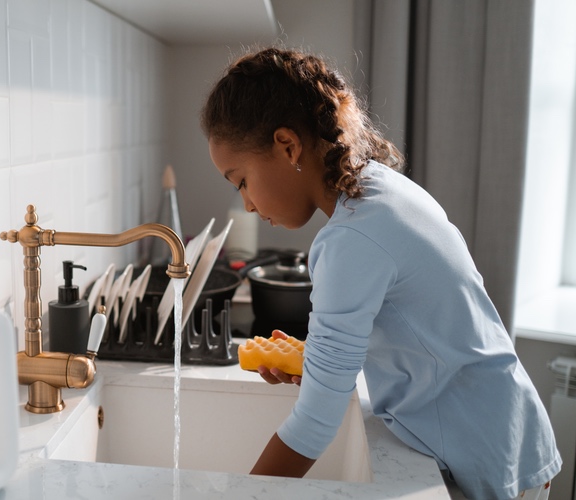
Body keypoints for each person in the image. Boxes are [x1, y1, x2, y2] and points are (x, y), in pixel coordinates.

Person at [200, 47, 561, 500]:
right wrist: (321, 361)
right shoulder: (379, 190)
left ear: (287, 145)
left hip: (486, 457)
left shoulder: (351, 240)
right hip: (507, 434)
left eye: (241, 181)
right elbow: (422, 328)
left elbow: (315, 424)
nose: (247, 204)